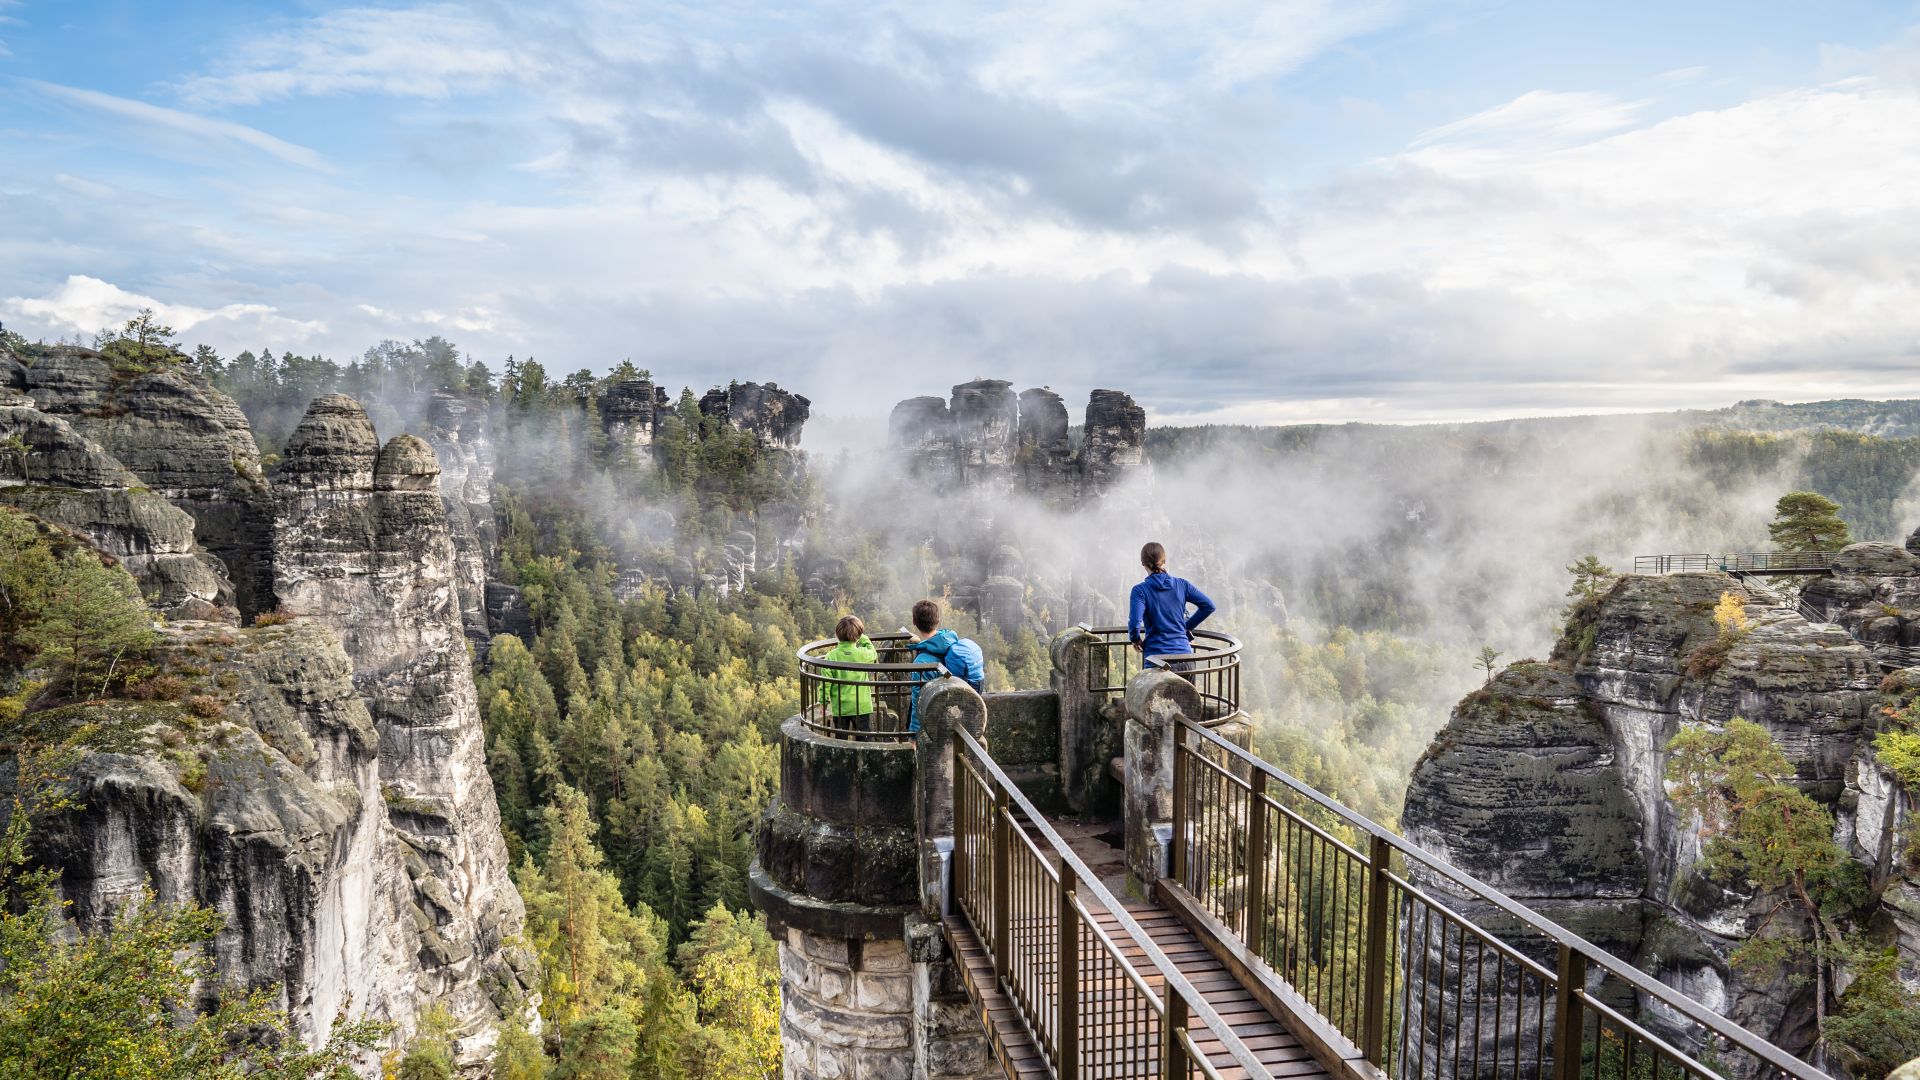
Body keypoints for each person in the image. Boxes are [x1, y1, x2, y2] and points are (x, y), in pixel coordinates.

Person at [1128, 541, 1216, 668]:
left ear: (1142, 563)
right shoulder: (1182, 585)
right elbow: (1209, 606)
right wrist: (1186, 627)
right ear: (1163, 561)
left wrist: (1135, 640)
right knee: (1188, 689)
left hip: (1158, 662)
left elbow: (1135, 622)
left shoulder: (1140, 591)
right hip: (1185, 659)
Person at [905, 598, 986, 732]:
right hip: (961, 713)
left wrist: (913, 734)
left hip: (939, 723)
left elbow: (917, 701)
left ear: (914, 622)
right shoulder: (950, 640)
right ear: (938, 621)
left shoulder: (922, 663)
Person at [817, 614, 877, 731]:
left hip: (840, 707)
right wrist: (863, 637)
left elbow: (825, 684)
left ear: (837, 635)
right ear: (858, 636)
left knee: (841, 741)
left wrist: (823, 703)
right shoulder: (862, 654)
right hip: (861, 705)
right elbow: (873, 652)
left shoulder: (831, 656)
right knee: (864, 740)